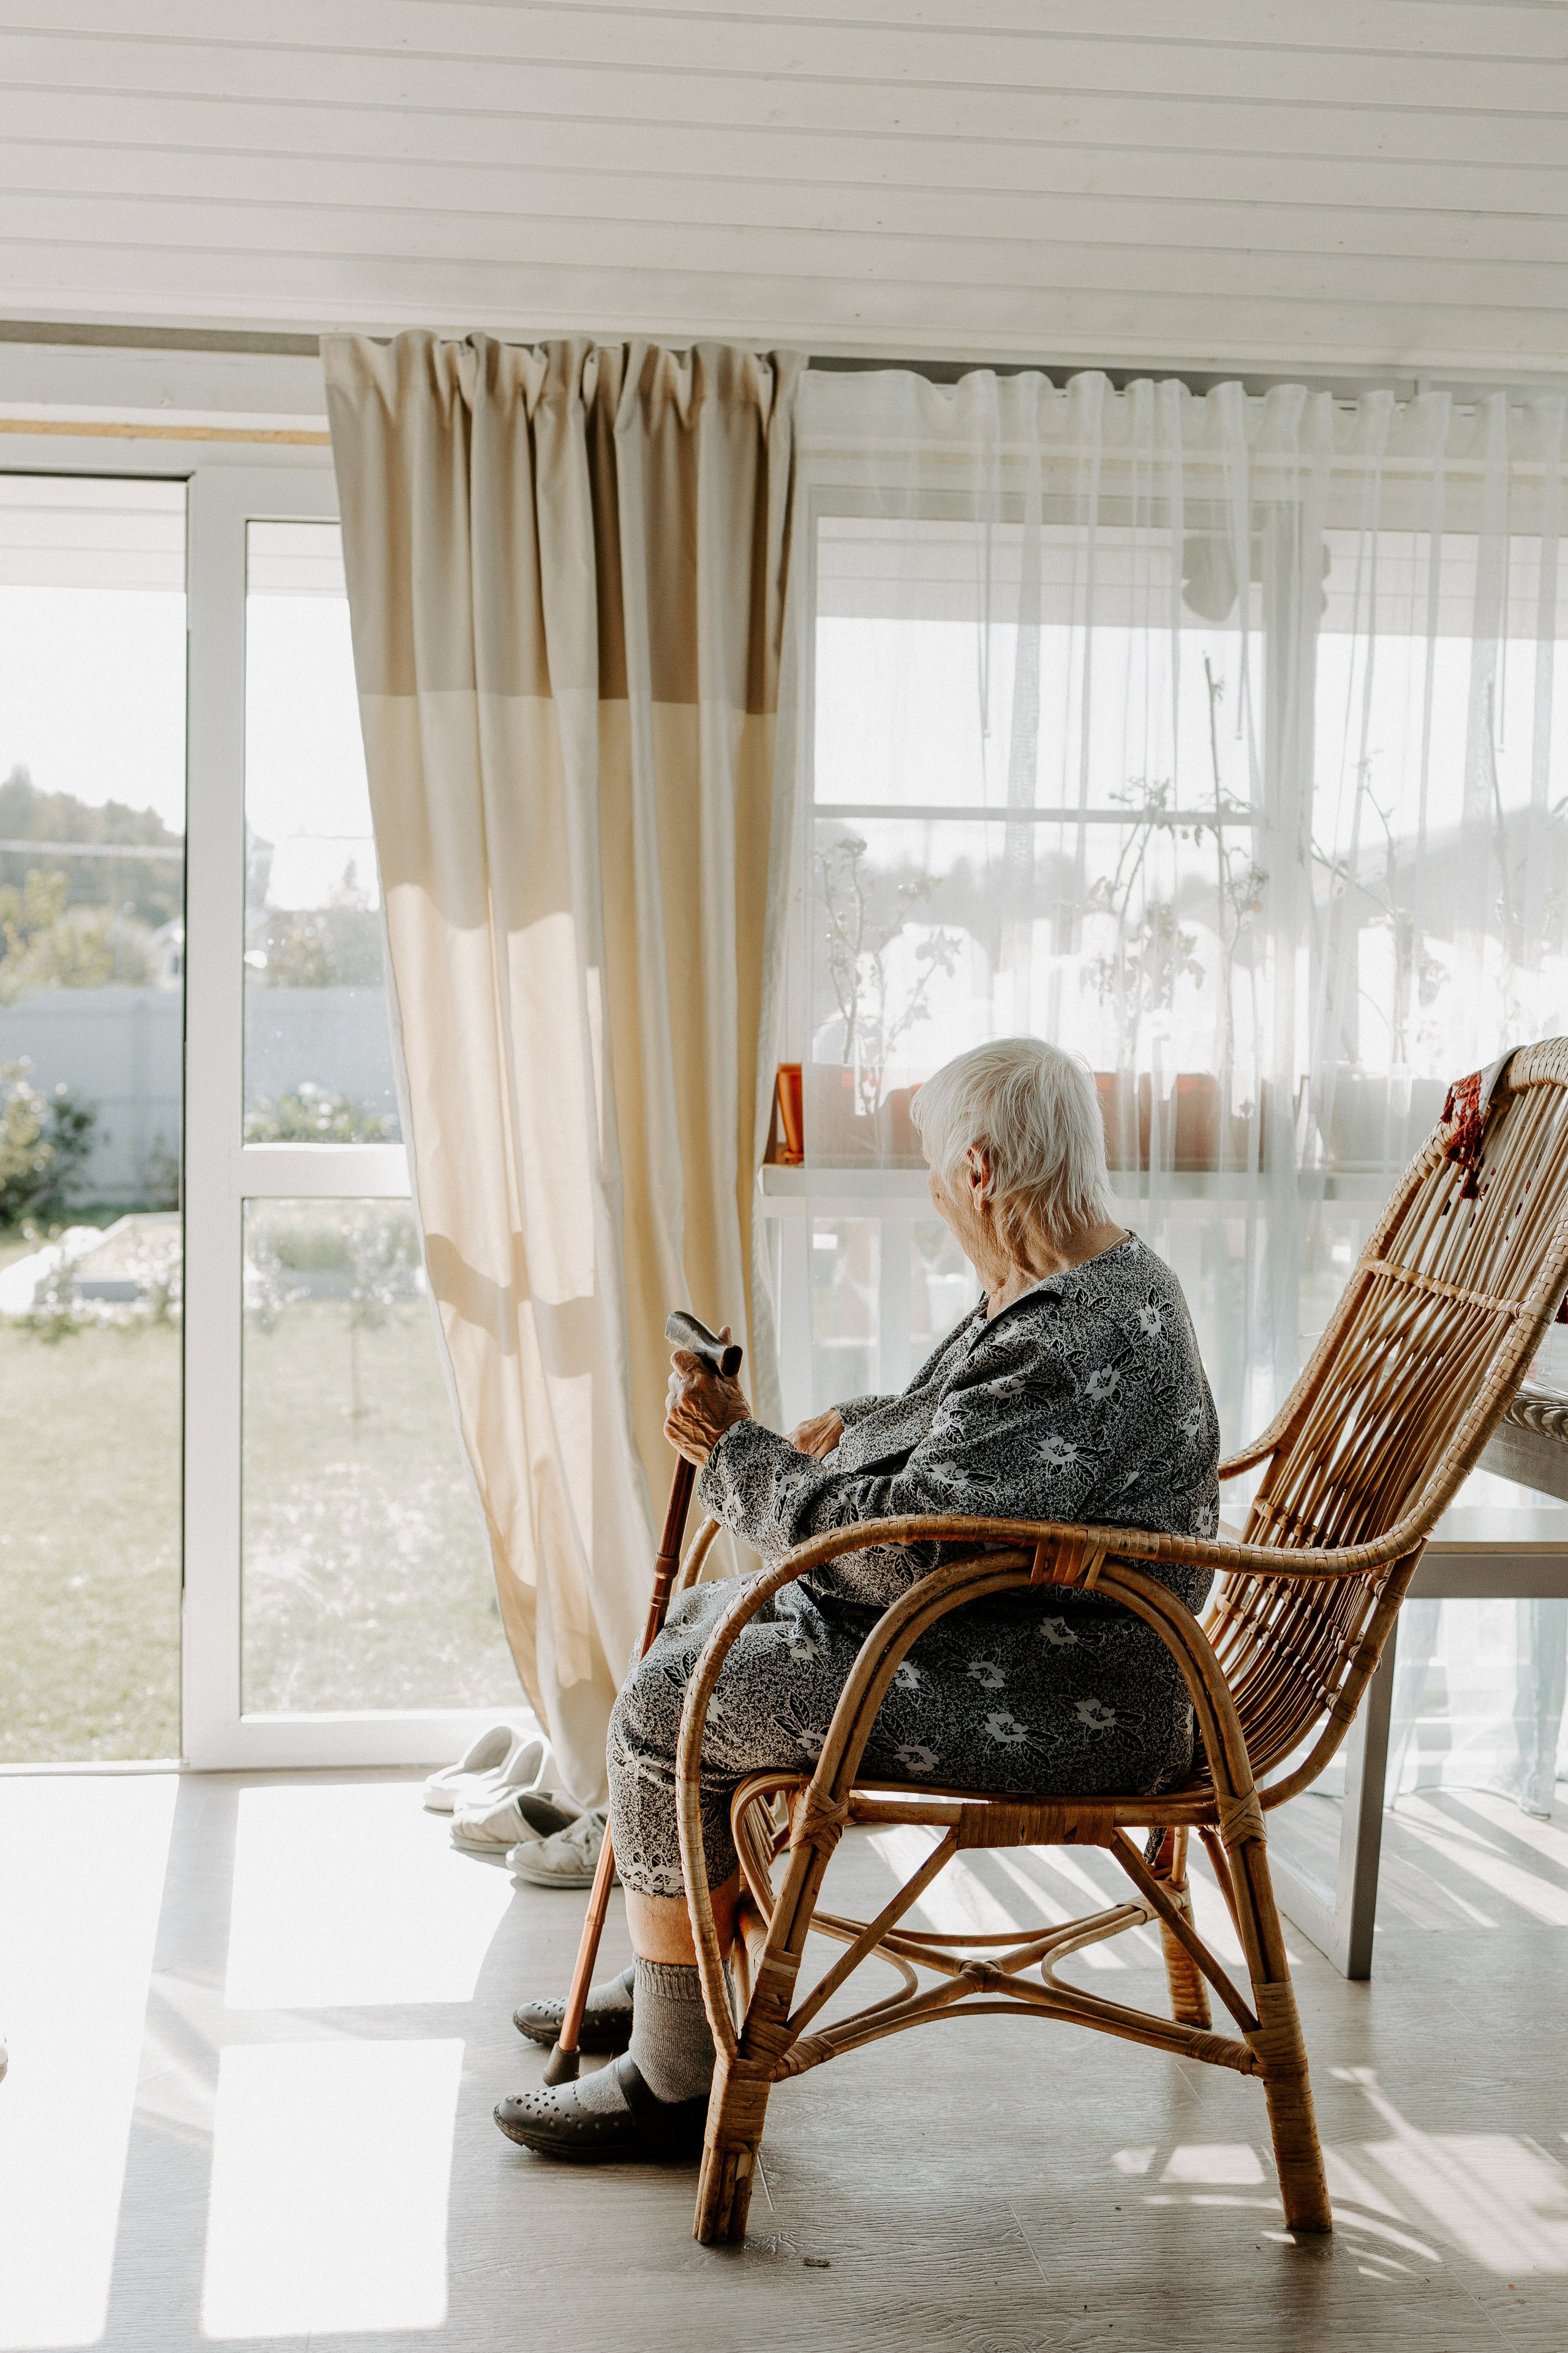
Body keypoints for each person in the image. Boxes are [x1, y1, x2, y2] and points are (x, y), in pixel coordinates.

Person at [496, 1037, 1220, 2162]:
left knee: (671, 1699)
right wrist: (861, 1426)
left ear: (979, 1170)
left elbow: (909, 1556)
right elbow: (975, 1442)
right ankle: (674, 1986)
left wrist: (742, 1456)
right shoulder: (1084, 1283)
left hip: (1060, 1689)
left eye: (935, 1168)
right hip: (1032, 1638)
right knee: (702, 1631)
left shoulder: (1069, 1337)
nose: (931, 1191)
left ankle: (676, 2077)